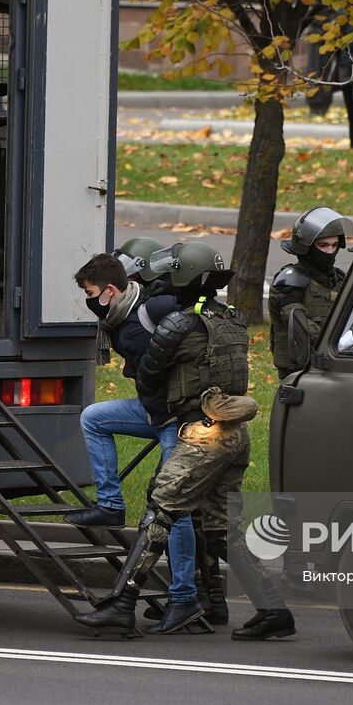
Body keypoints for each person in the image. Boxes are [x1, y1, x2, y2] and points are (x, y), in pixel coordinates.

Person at [74, 242, 296, 641]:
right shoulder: (229, 318)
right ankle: (274, 610)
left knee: (161, 510)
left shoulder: (178, 323)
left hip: (199, 434)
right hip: (233, 431)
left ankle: (124, 606)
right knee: (221, 530)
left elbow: (148, 377)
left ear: (180, 277)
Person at [65, 254, 202, 633]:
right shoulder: (118, 318)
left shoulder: (149, 307)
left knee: (174, 510)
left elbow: (194, 305)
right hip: (153, 412)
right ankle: (110, 504)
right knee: (94, 417)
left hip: (179, 420)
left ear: (110, 291)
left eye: (91, 294)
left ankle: (184, 597)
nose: (89, 302)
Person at [269, 207, 353, 379]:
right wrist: (338, 341)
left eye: (335, 245)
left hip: (337, 360)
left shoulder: (339, 279)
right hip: (301, 368)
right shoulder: (290, 282)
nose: (330, 251)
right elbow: (300, 327)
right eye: (323, 245)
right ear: (305, 247)